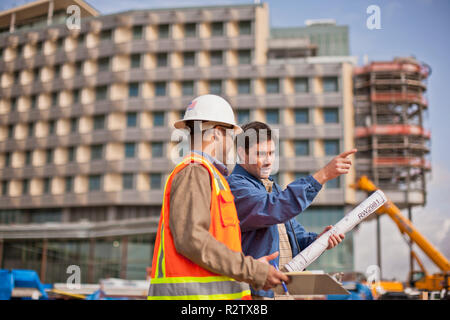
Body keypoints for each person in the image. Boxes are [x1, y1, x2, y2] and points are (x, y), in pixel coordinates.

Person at [147, 96, 288, 300]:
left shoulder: (212, 176)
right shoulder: (195, 172)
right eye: (231, 134)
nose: (232, 142)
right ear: (217, 134)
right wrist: (252, 270)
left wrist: (253, 268)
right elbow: (191, 239)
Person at [227, 121, 356, 299]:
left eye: (271, 153)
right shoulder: (236, 187)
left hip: (285, 291)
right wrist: (323, 175)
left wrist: (319, 240)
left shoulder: (272, 188)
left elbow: (296, 238)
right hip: (260, 293)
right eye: (261, 154)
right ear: (242, 153)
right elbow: (273, 208)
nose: (268, 160)